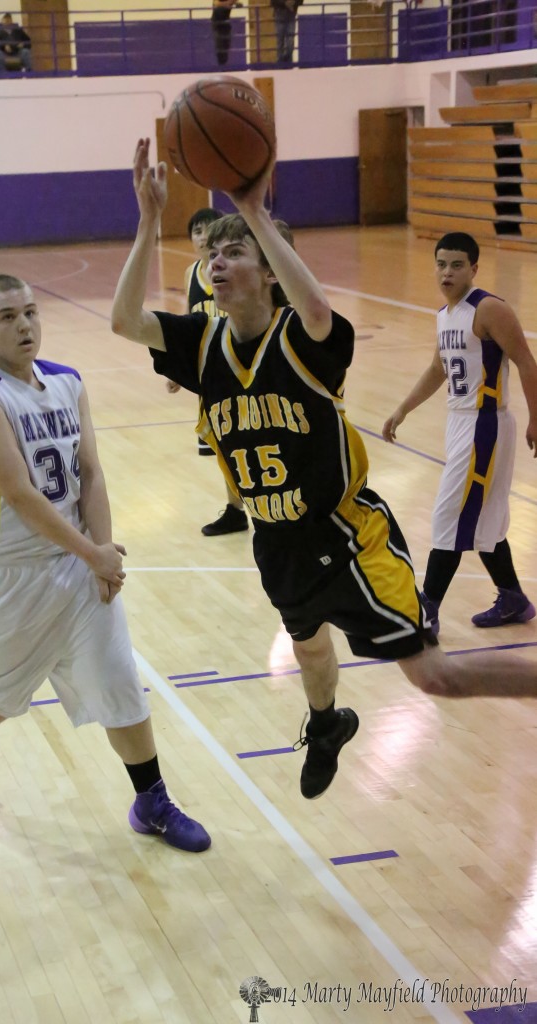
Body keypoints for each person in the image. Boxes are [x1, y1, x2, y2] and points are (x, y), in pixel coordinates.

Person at [111, 140, 537, 801]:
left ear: (270, 271)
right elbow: (124, 320)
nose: (217, 262)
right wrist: (146, 221)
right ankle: (326, 721)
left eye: (235, 251)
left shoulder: (304, 339)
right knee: (308, 648)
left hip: (350, 538)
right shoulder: (203, 344)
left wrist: (254, 209)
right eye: (211, 253)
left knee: (436, 678)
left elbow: (315, 310)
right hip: (275, 539)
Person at [0, 274, 210, 854]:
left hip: (77, 565)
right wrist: (92, 551)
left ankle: (152, 800)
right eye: (7, 318)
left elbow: (91, 473)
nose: (24, 326)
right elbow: (19, 494)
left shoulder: (69, 382)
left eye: (30, 313)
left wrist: (103, 551)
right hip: (13, 573)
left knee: (118, 677)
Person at [383, 232, 537, 632]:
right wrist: (402, 409)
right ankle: (514, 599)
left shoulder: (488, 309)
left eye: (456, 265)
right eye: (441, 264)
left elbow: (526, 362)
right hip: (461, 422)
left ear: (474, 268)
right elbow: (438, 370)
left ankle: (426, 609)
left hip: (485, 423)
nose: (447, 272)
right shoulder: (445, 315)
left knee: (448, 515)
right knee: (484, 519)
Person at [166, 206, 249, 536]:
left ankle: (256, 506)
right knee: (226, 447)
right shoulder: (191, 274)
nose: (202, 235)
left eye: (208, 228)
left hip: (241, 367)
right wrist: (178, 367)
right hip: (210, 373)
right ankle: (236, 510)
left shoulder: (234, 270)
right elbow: (191, 321)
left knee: (246, 442)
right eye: (196, 230)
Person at [211, 0, 242, 67]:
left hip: (226, 22)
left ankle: (224, 64)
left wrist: (236, 3)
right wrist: (228, 3)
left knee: (226, 44)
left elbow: (236, 2)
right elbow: (216, 3)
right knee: (220, 44)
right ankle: (221, 65)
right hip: (217, 22)